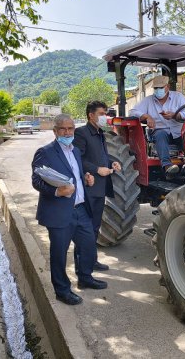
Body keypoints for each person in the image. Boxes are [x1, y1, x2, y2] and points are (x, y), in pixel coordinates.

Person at [31, 114, 107, 306]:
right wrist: (56, 191)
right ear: (55, 131)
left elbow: (77, 176)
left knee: (88, 244)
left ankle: (85, 277)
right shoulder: (45, 152)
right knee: (59, 252)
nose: (67, 132)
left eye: (70, 128)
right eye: (63, 129)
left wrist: (87, 179)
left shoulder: (75, 152)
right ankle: (62, 290)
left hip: (80, 208)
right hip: (59, 211)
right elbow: (37, 180)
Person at [73, 101, 121, 271]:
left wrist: (112, 163)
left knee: (94, 227)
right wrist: (96, 170)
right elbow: (77, 159)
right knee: (84, 229)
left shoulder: (101, 134)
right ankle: (81, 265)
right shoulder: (81, 133)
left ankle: (91, 260)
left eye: (106, 113)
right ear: (91, 115)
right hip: (88, 187)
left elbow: (101, 157)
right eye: (101, 113)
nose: (105, 117)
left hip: (100, 188)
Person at [129, 75, 185, 177]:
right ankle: (167, 166)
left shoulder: (178, 97)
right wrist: (146, 116)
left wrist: (175, 115)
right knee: (161, 133)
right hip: (159, 132)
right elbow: (132, 112)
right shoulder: (148, 100)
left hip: (178, 132)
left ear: (167, 86)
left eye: (160, 88)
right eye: (156, 88)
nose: (158, 90)